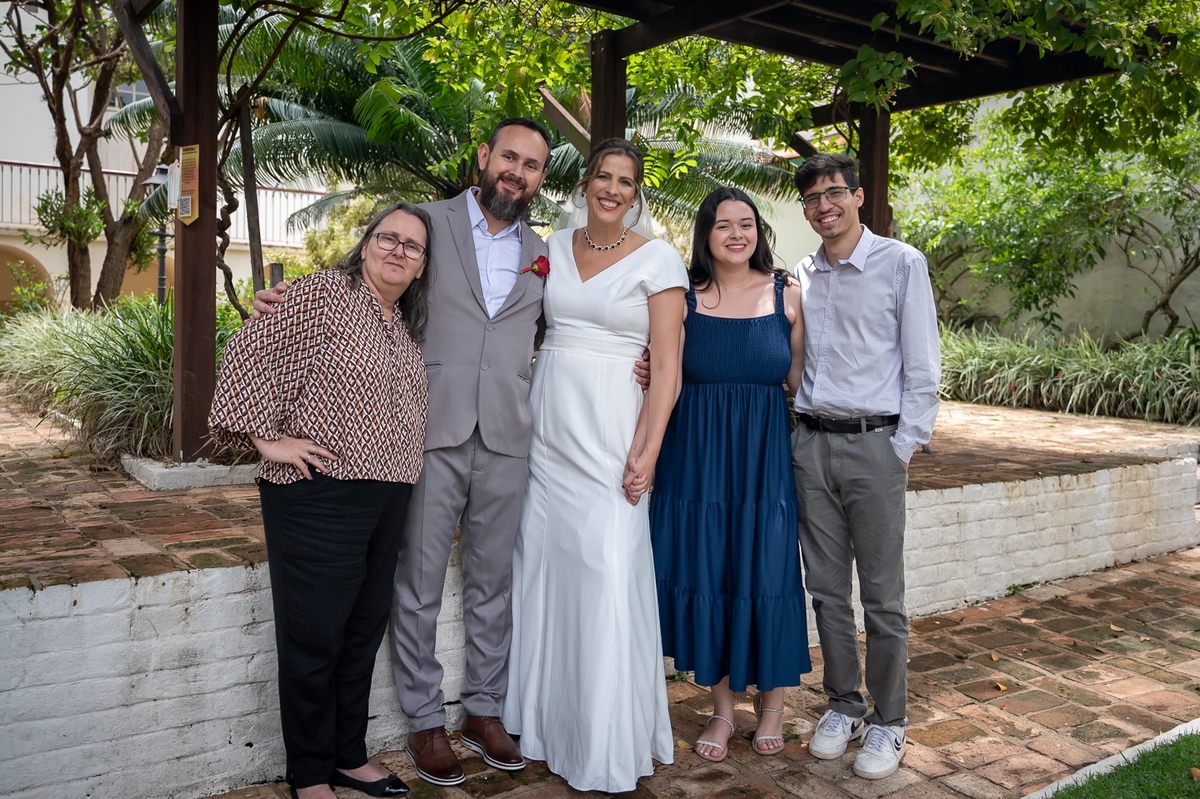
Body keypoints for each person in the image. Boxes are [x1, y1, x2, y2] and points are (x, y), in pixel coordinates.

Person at [210, 203, 432, 799]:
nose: (398, 251)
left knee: (360, 632)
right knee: (315, 637)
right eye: (388, 238)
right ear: (366, 244)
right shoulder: (323, 294)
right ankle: (309, 775)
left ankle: (347, 757)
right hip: (319, 495)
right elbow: (249, 349)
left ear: (421, 266)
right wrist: (267, 440)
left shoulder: (401, 322)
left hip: (387, 495)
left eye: (412, 246)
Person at [501, 138, 687, 793]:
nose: (612, 189)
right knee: (542, 570)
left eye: (625, 181)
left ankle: (604, 740)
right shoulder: (551, 247)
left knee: (606, 570)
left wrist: (648, 449)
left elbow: (668, 368)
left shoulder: (659, 259)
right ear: (584, 184)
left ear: (636, 194)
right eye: (603, 177)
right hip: (546, 430)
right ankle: (543, 725)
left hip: (612, 434)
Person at [790, 153, 940, 780]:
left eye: (834, 193)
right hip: (810, 445)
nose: (824, 206)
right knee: (826, 590)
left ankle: (889, 720)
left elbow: (923, 365)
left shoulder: (900, 263)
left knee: (881, 595)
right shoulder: (803, 273)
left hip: (875, 445)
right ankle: (843, 706)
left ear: (857, 195)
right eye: (812, 198)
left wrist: (902, 447)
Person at [650, 187, 811, 762]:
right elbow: (663, 369)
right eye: (723, 225)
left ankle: (773, 707)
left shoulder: (788, 294)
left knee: (766, 570)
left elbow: (801, 381)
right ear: (706, 235)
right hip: (696, 465)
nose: (737, 234)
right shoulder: (683, 298)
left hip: (763, 462)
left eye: (747, 224)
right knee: (710, 572)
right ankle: (722, 710)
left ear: (758, 232)